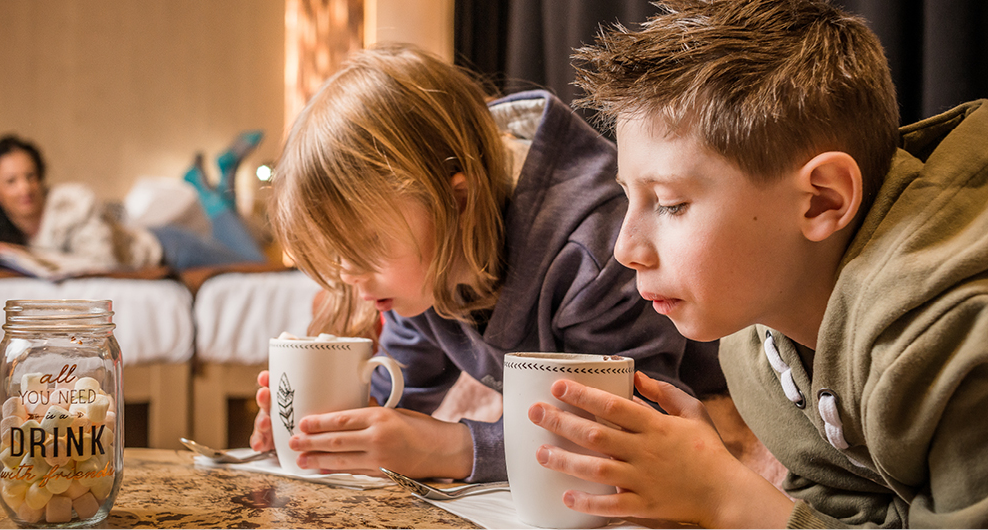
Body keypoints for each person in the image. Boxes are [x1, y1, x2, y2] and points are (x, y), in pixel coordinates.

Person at [523, 0, 988, 527]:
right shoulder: (753, 349)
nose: (625, 248)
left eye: (671, 203)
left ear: (822, 201)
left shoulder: (955, 337)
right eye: (629, 196)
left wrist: (726, 499)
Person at [246, 43, 726, 483]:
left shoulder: (595, 248)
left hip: (717, 404)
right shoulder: (426, 271)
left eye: (365, 242)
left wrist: (453, 448)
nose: (348, 273)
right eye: (335, 250)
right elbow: (400, 391)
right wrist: (324, 429)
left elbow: (634, 424)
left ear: (455, 203)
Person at [0, 134, 267, 270]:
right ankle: (217, 183)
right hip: (161, 247)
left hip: (165, 247)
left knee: (257, 268)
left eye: (31, 176)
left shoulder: (72, 203)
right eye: (11, 181)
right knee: (254, 265)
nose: (26, 188)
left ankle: (210, 193)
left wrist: (27, 256)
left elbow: (104, 263)